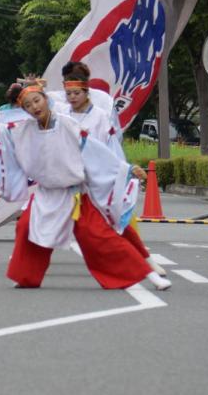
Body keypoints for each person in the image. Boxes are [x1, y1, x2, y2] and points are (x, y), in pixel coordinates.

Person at [0, 83, 169, 291]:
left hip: (75, 196)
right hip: (46, 195)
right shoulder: (22, 131)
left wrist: (126, 169)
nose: (34, 107)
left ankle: (150, 276)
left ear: (46, 99)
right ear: (25, 110)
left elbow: (95, 151)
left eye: (37, 100)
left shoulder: (67, 125)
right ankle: (26, 277)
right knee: (26, 227)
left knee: (98, 236)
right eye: (28, 105)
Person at [59, 62, 166, 277]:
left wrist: (125, 169)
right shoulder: (62, 114)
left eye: (76, 92)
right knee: (43, 217)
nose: (71, 96)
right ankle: (29, 260)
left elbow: (112, 143)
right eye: (68, 92)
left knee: (119, 217)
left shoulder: (101, 112)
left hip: (99, 176)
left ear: (85, 89)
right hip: (70, 178)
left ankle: (143, 259)